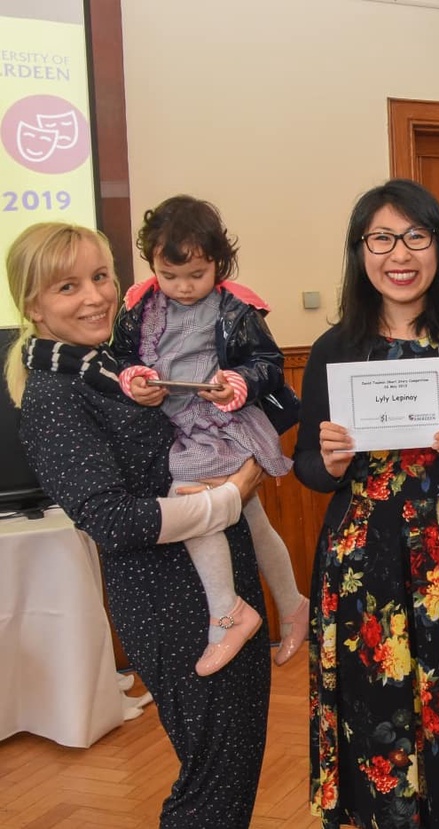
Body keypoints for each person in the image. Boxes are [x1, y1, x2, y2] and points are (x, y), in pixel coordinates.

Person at [5, 222, 269, 828]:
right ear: (33, 305)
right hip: (171, 605)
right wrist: (231, 496)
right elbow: (116, 522)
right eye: (68, 286)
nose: (95, 296)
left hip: (214, 587)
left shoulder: (111, 367)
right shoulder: (55, 395)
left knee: (229, 772)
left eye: (101, 277)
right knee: (212, 786)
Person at [294, 179, 439, 829]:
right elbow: (306, 466)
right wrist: (329, 460)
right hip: (361, 569)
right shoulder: (335, 347)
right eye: (382, 238)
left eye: (416, 236)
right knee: (373, 717)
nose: (400, 253)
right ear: (360, 251)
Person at [112, 195, 308, 677]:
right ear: (152, 263)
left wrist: (236, 385)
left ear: (219, 263)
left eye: (195, 276)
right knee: (252, 517)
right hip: (176, 423)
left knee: (187, 490)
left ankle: (227, 612)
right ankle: (293, 601)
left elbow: (268, 364)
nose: (182, 287)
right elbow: (119, 355)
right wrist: (135, 378)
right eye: (169, 275)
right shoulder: (141, 307)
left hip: (224, 423)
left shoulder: (235, 307)